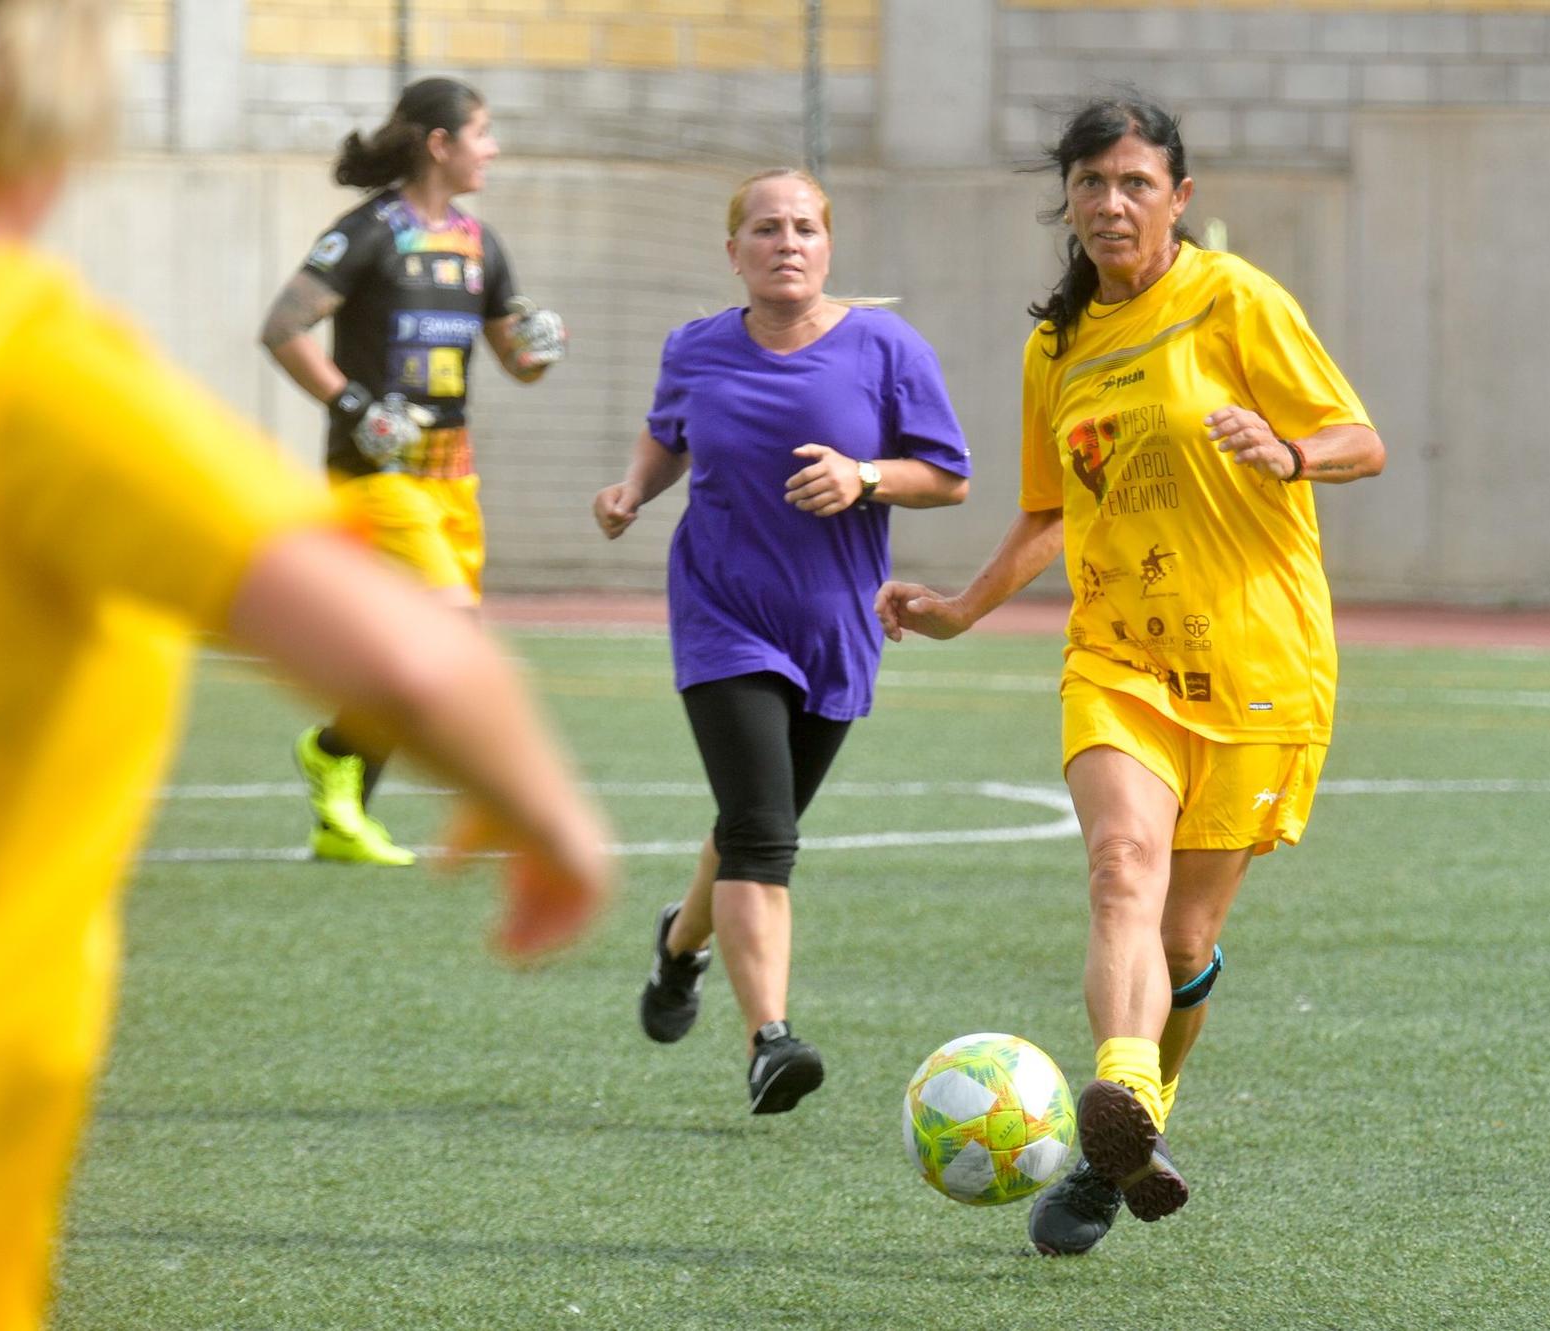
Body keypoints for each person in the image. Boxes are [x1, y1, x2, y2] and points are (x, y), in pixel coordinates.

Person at [0, 3, 608, 1326]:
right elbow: (412, 658)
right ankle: (343, 773)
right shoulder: (7, 359)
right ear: (58, 97)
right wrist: (550, 817)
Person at [876, 94, 1385, 1253]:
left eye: (1135, 184)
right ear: (1064, 197)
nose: (1111, 203)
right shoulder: (1052, 348)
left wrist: (1289, 449)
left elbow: (1360, 438)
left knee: (1182, 942)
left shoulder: (1232, 298)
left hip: (1258, 664)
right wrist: (958, 609)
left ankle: (1117, 1153)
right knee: (1119, 868)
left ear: (1178, 198)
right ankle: (1117, 1090)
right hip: (1116, 656)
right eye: (1092, 183)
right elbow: (1049, 513)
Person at [592, 168, 972, 1115]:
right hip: (721, 615)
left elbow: (948, 476)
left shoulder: (886, 347)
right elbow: (667, 431)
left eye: (805, 227)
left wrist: (864, 474)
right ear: (735, 253)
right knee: (765, 833)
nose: (787, 242)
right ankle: (771, 1038)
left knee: (749, 824)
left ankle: (681, 942)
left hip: (834, 625)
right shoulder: (697, 347)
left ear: (829, 245)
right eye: (766, 229)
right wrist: (635, 487)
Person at [260, 75, 568, 866]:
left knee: (409, 654)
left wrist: (537, 350)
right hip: (377, 474)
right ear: (441, 144)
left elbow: (513, 358)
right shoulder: (369, 232)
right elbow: (284, 327)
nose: (493, 148)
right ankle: (476, 792)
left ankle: (342, 795)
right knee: (448, 633)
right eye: (483, 132)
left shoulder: (477, 244)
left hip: (453, 479)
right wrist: (356, 404)